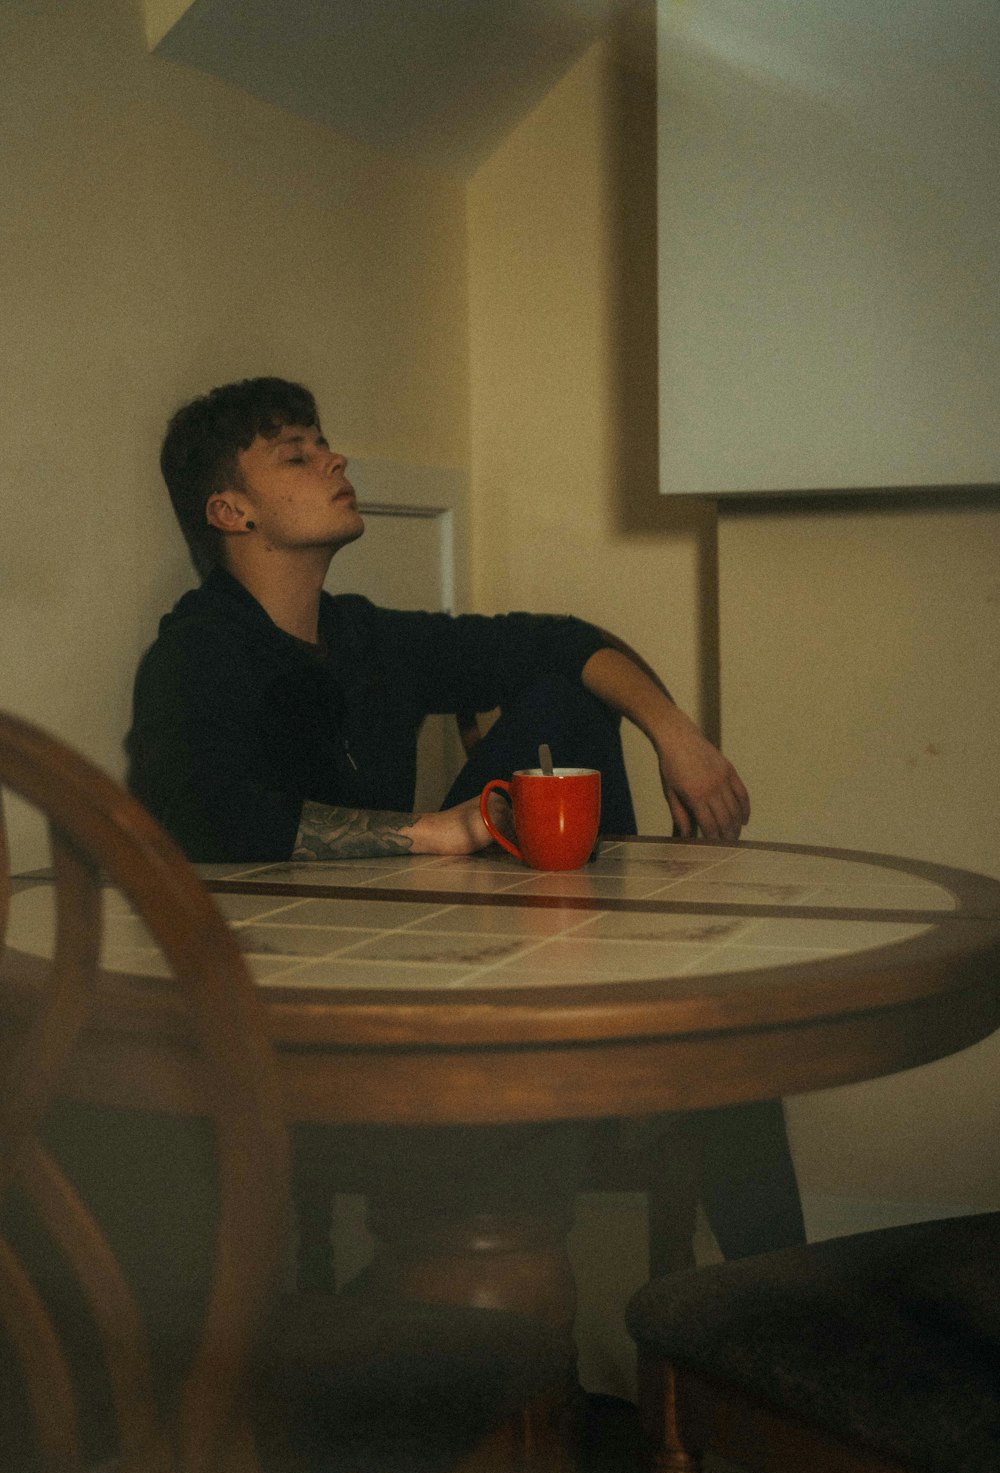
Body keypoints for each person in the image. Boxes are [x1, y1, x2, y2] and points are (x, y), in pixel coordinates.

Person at [126, 377, 803, 1261]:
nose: (334, 459)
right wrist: (433, 833)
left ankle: (776, 1302)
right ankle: (621, 1065)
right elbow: (216, 824)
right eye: (297, 454)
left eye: (324, 442)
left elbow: (558, 637)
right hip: (308, 1019)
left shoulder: (361, 636)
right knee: (711, 1059)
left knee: (729, 1039)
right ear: (231, 510)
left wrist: (677, 734)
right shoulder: (197, 650)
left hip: (415, 953)